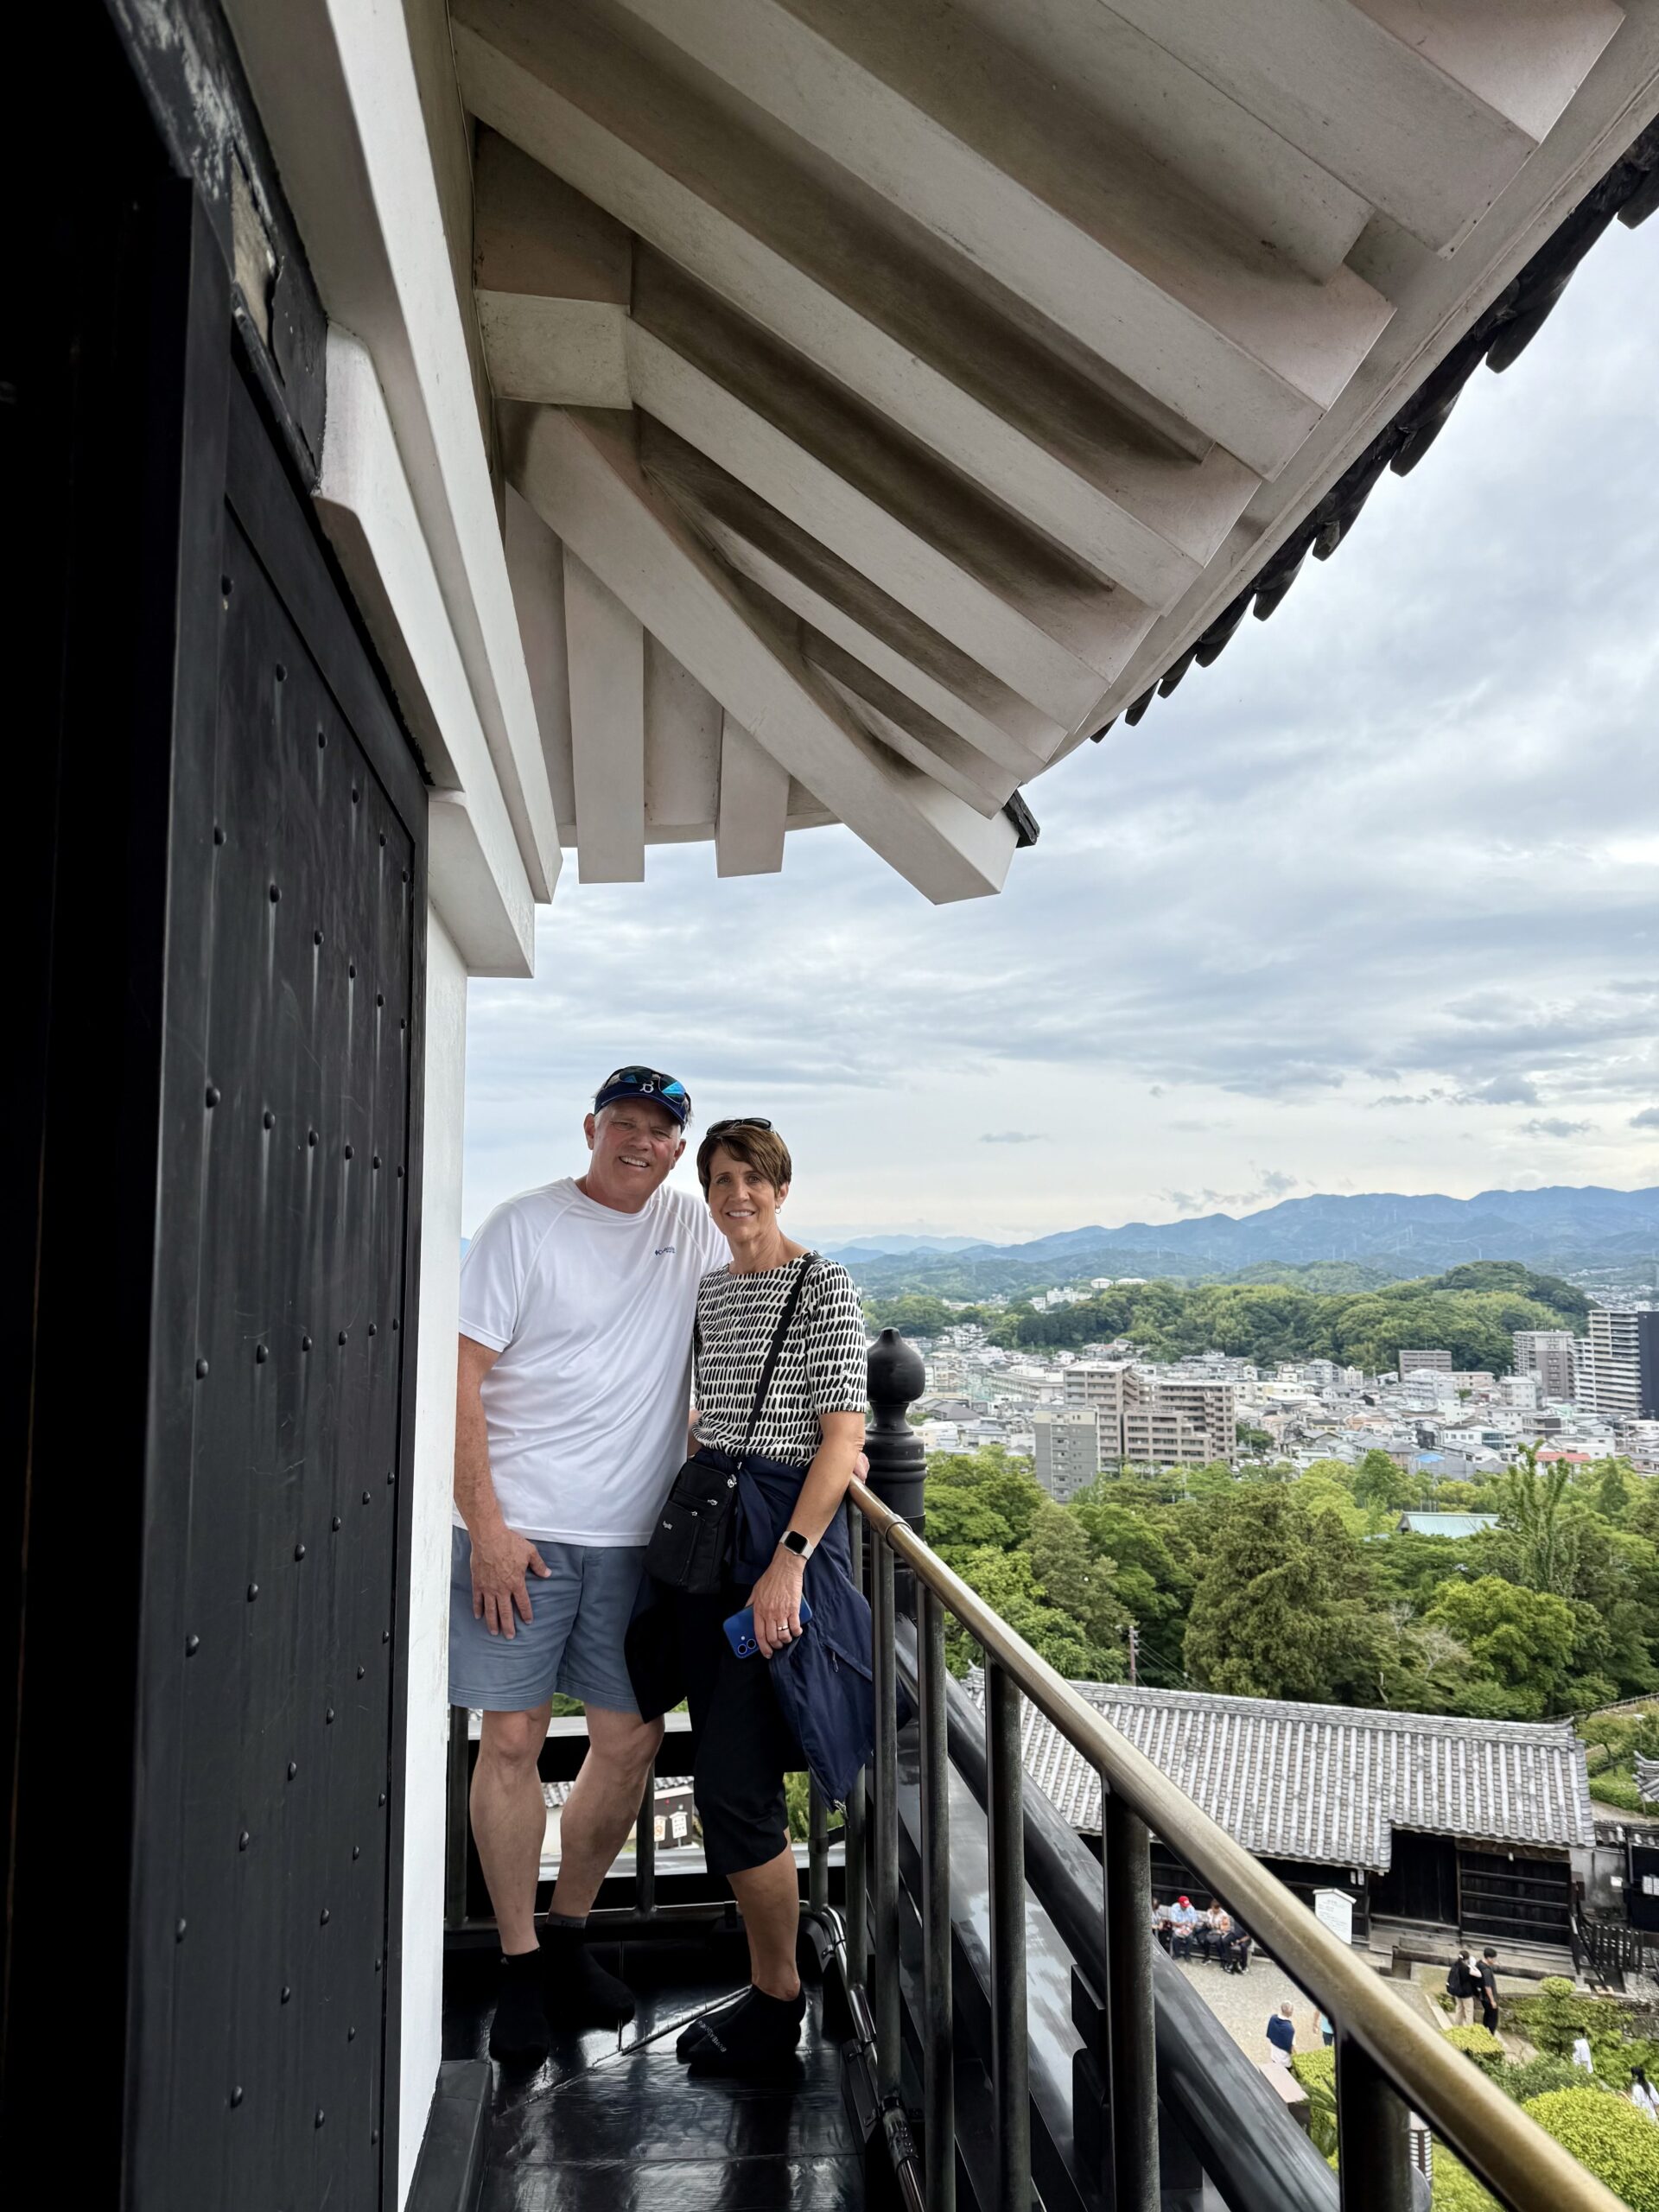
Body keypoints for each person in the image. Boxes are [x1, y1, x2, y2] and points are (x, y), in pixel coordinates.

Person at [450, 1066, 730, 2063]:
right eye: (627, 1123)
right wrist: (484, 1523)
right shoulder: (523, 1226)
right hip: (519, 1531)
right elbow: (461, 1377)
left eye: (662, 1131)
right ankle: (521, 1963)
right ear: (591, 1127)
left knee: (630, 1740)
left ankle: (570, 1935)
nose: (642, 1142)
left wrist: (832, 1433)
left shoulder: (692, 1228)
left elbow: (768, 1278)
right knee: (515, 1737)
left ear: (676, 1147)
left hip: (635, 1535)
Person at [627, 1117, 873, 2078]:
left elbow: (842, 1440)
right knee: (731, 1766)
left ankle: (778, 1996)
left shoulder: (825, 1286)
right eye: (722, 1179)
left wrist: (792, 1559)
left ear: (781, 1187)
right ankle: (777, 1970)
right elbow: (710, 1415)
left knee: (736, 1780)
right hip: (709, 1548)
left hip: (776, 1537)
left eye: (753, 1179)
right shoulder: (712, 1290)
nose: (737, 1195)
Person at [1446, 1950, 1476, 2027]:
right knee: (1469, 2011)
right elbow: (1479, 1975)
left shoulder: (1455, 1965)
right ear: (1467, 1959)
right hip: (1466, 1994)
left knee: (1459, 2009)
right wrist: (1473, 1966)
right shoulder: (1466, 1969)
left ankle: (1457, 2025)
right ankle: (1470, 2028)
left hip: (1457, 1991)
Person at [1476, 1948, 1500, 2036]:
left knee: (1487, 2016)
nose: (1495, 1960)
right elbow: (1488, 1986)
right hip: (1487, 1998)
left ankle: (1485, 2032)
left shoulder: (1479, 1964)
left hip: (1482, 1996)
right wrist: (1492, 2000)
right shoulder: (1486, 1970)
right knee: (1492, 2019)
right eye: (1494, 1958)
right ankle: (1490, 2035)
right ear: (1489, 1958)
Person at [1168, 1894, 1200, 1961]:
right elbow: (1174, 1922)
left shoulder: (1191, 1908)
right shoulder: (1175, 1907)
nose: (1186, 1907)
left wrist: (1191, 1926)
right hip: (1177, 1927)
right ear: (1180, 1904)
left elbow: (1194, 1921)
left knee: (1190, 1938)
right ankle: (1177, 1954)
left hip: (1188, 1928)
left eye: (1186, 1906)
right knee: (1175, 1937)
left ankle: (1187, 1954)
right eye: (1184, 1906)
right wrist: (1183, 1924)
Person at [1266, 2003, 1296, 2070]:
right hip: (1285, 2062)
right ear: (1290, 2012)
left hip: (1274, 2057)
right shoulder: (1290, 2029)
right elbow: (1292, 2048)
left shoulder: (1273, 2019)